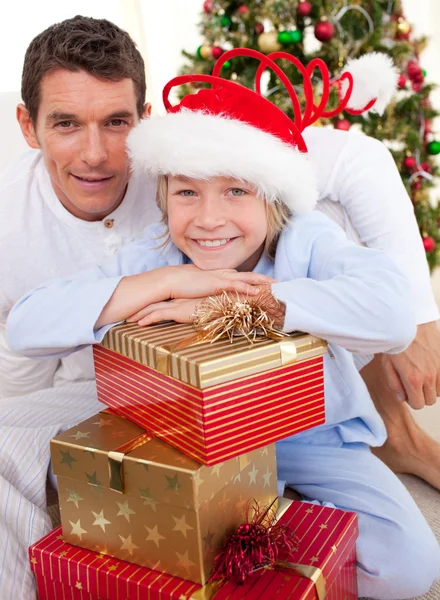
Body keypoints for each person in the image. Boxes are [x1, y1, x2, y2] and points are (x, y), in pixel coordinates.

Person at [0, 15, 439, 599]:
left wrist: (249, 302)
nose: (208, 219)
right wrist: (164, 281)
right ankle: (246, 525)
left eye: (236, 190)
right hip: (185, 440)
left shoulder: (305, 239)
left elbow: (389, 313)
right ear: (164, 197)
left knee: (408, 568)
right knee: (157, 556)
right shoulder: (155, 251)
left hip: (308, 439)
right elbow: (28, 326)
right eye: (187, 193)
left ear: (272, 192)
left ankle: (271, 520)